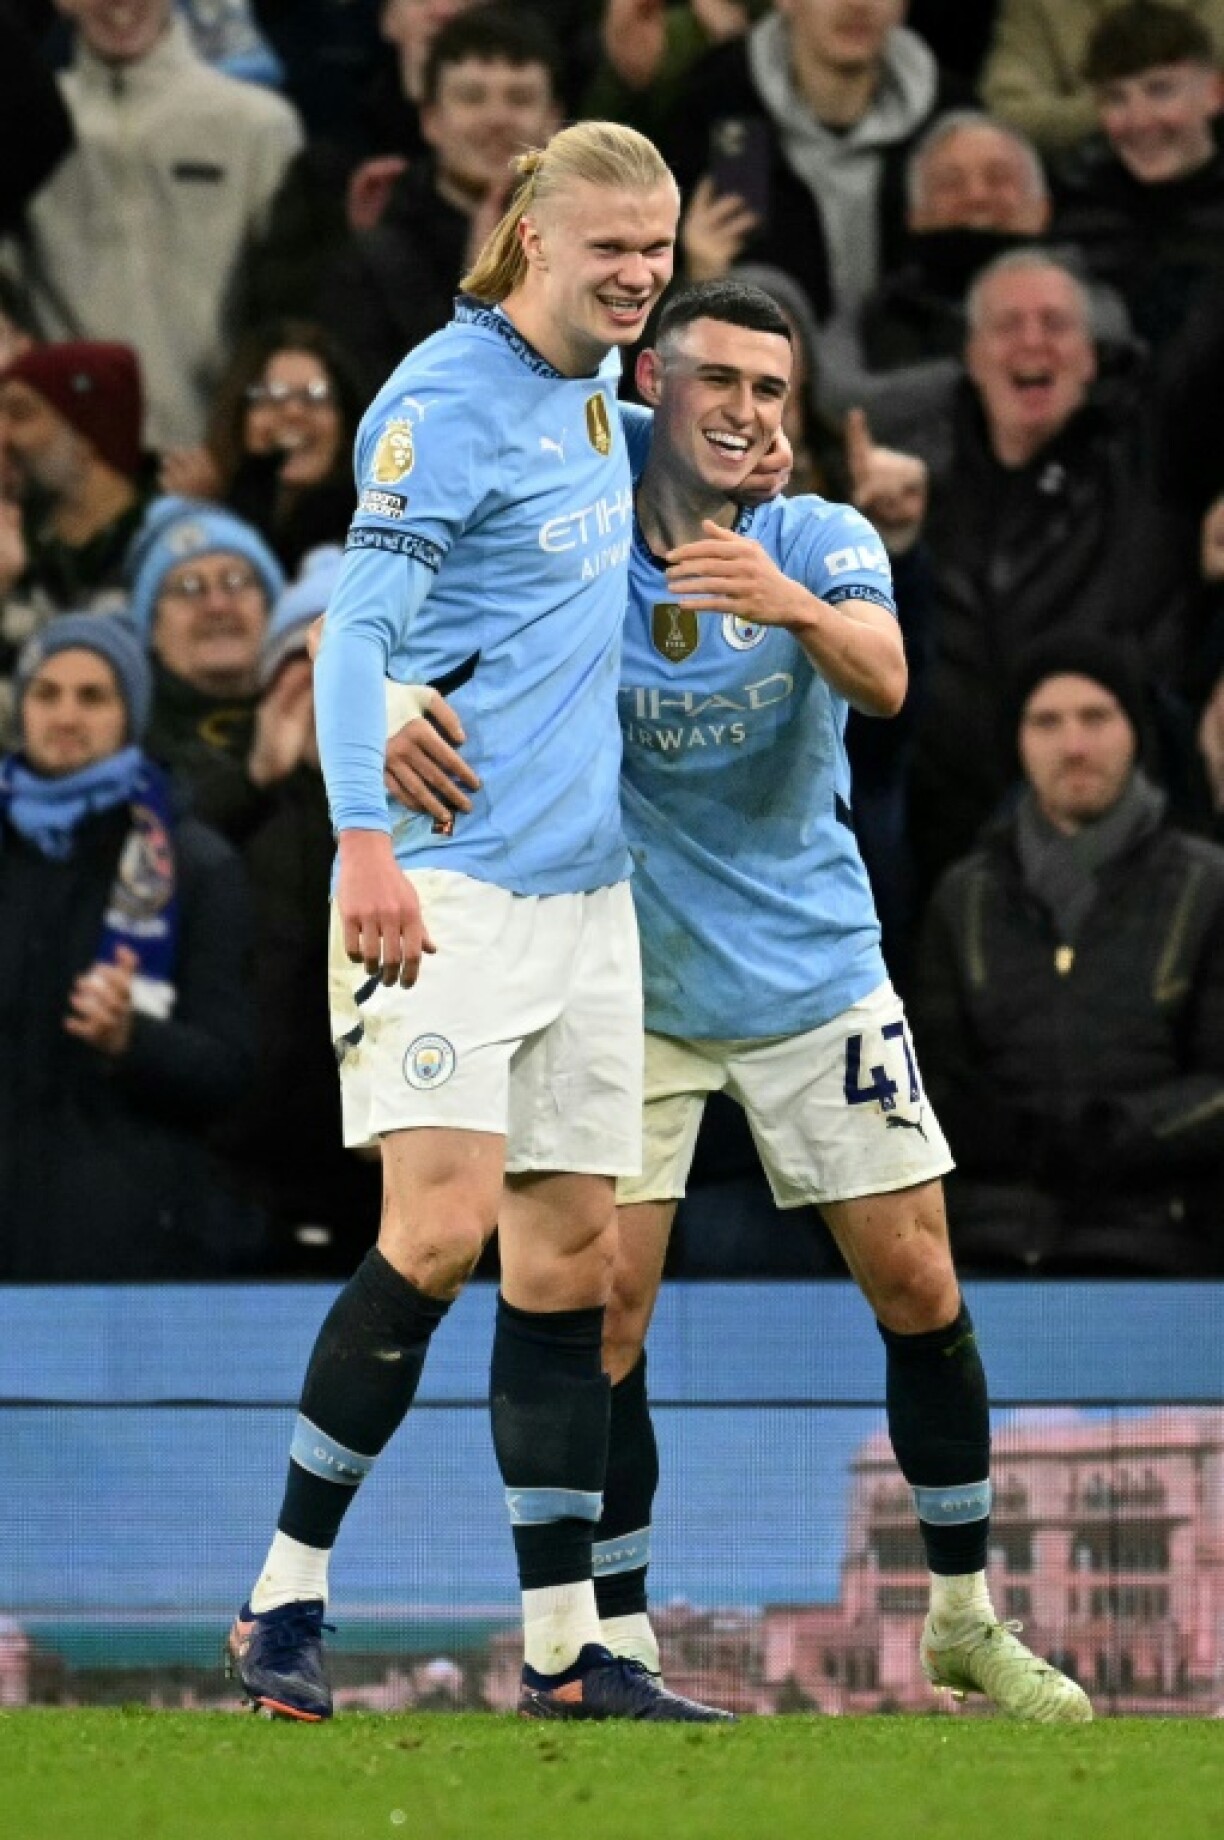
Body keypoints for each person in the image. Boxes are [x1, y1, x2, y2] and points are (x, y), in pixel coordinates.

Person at [392, 277, 1093, 1721]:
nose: (749, 412)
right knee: (603, 1312)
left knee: (919, 1278)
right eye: (721, 382)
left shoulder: (815, 537)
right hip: (624, 980)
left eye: (773, 392)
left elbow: (889, 680)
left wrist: (780, 598)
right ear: (656, 382)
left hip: (808, 968)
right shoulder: (579, 526)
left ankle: (962, 1614)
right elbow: (460, 492)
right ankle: (622, 1635)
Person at [226, 119, 732, 1726]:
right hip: (442, 885)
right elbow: (358, 633)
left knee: (566, 1260)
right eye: (611, 248)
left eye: (656, 246)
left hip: (590, 895)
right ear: (531, 243)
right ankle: (282, 1601)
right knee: (435, 1233)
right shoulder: (438, 407)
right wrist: (364, 839)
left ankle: (569, 1652)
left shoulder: (596, 391)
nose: (640, 272)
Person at [911, 638, 1224, 1277]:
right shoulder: (964, 896)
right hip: (984, 1245)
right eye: (1046, 722)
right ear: (1017, 741)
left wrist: (1118, 1136)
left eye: (1096, 717)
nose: (1074, 744)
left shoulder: (1207, 887)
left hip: (1162, 1241)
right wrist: (991, 1132)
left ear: (1136, 733)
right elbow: (924, 1077)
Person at [905, 248, 1198, 894]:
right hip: (952, 866)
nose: (1033, 341)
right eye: (1008, 325)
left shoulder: (1149, 468)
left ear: (1092, 357)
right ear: (972, 358)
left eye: (1056, 324)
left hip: (1130, 852)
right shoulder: (916, 495)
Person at [0, 613, 260, 1279]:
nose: (65, 714)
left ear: (131, 714)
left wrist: (132, 1039)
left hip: (128, 1249)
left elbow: (232, 1070)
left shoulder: (194, 867)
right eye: (46, 692)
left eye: (93, 696)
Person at [19, 0, 303, 448]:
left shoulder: (258, 126)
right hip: (65, 462)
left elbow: (285, 313)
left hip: (213, 453)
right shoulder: (25, 128)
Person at [659, 0, 966, 328]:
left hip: (918, 368)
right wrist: (698, 281)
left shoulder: (955, 126)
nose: (858, 6)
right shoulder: (713, 109)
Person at [315, 7, 565, 397]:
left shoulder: (605, 248)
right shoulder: (371, 263)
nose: (497, 118)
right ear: (431, 120)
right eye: (472, 98)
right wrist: (480, 306)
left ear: (553, 121)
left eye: (519, 99)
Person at [1051, 2, 1224, 354]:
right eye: (1115, 98)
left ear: (1214, 94)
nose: (1138, 120)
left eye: (1160, 90)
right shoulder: (1071, 206)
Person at [0, 340, 151, 728]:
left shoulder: (169, 550)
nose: (4, 436)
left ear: (87, 435)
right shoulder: (18, 538)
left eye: (19, 414)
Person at [125, 498, 286, 840]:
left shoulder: (317, 712)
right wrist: (254, 778)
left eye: (236, 581)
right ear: (152, 628)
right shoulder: (126, 736)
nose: (217, 605)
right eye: (188, 588)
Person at [159, 319, 362, 575]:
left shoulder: (383, 529)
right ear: (238, 419)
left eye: (316, 397)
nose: (293, 412)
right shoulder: (197, 513)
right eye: (271, 397)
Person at [981, 0, 1224, 156]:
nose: (1141, 120)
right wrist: (1116, 106)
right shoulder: (1040, 6)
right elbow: (1006, 113)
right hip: (1085, 189)